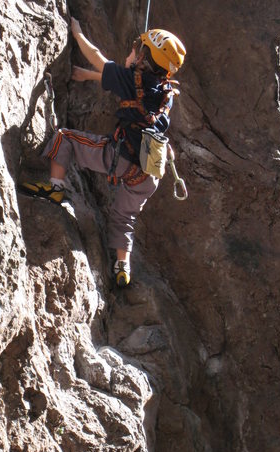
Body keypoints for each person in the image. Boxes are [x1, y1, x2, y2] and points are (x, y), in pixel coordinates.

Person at [21, 17, 186, 287]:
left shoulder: (131, 79)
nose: (130, 52)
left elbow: (98, 58)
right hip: (148, 174)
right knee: (124, 216)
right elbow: (119, 82)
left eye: (136, 48)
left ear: (144, 56)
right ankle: (123, 267)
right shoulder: (164, 92)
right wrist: (88, 76)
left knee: (66, 138)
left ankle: (54, 187)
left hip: (120, 159)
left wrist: (77, 34)